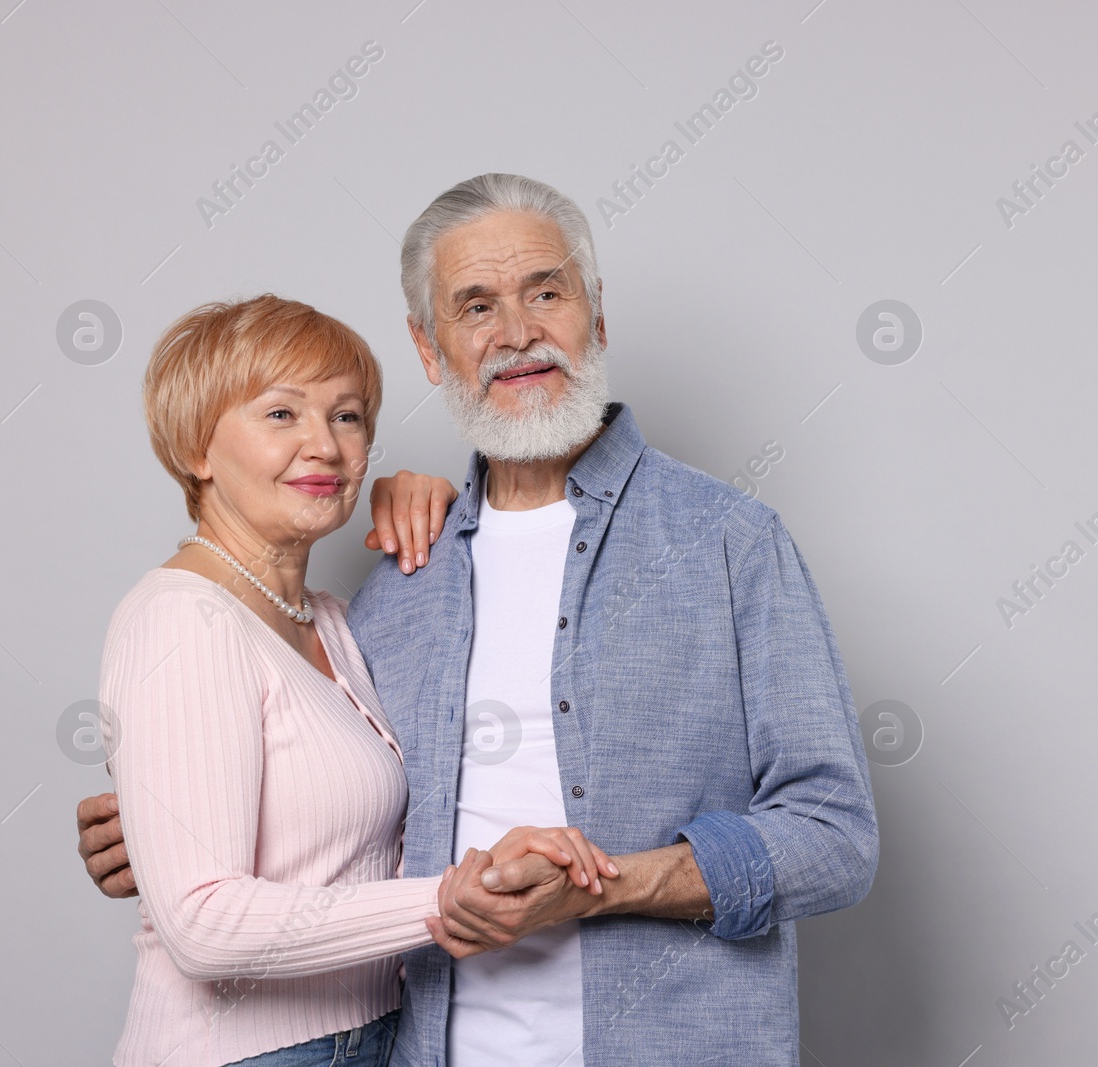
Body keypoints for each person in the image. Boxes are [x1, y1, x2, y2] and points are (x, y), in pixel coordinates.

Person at [80, 174, 879, 1066]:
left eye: (547, 290)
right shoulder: (400, 582)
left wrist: (606, 887)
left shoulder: (730, 543)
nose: (516, 333)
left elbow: (834, 836)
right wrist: (155, 822)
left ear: (597, 315)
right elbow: (321, 805)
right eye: (475, 306)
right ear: (430, 349)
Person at [98, 293, 616, 1067]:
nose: (327, 446)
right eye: (281, 415)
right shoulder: (184, 620)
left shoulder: (330, 620)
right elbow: (202, 921)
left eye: (347, 417)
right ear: (196, 447)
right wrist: (445, 900)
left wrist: (435, 496)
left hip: (368, 1041)